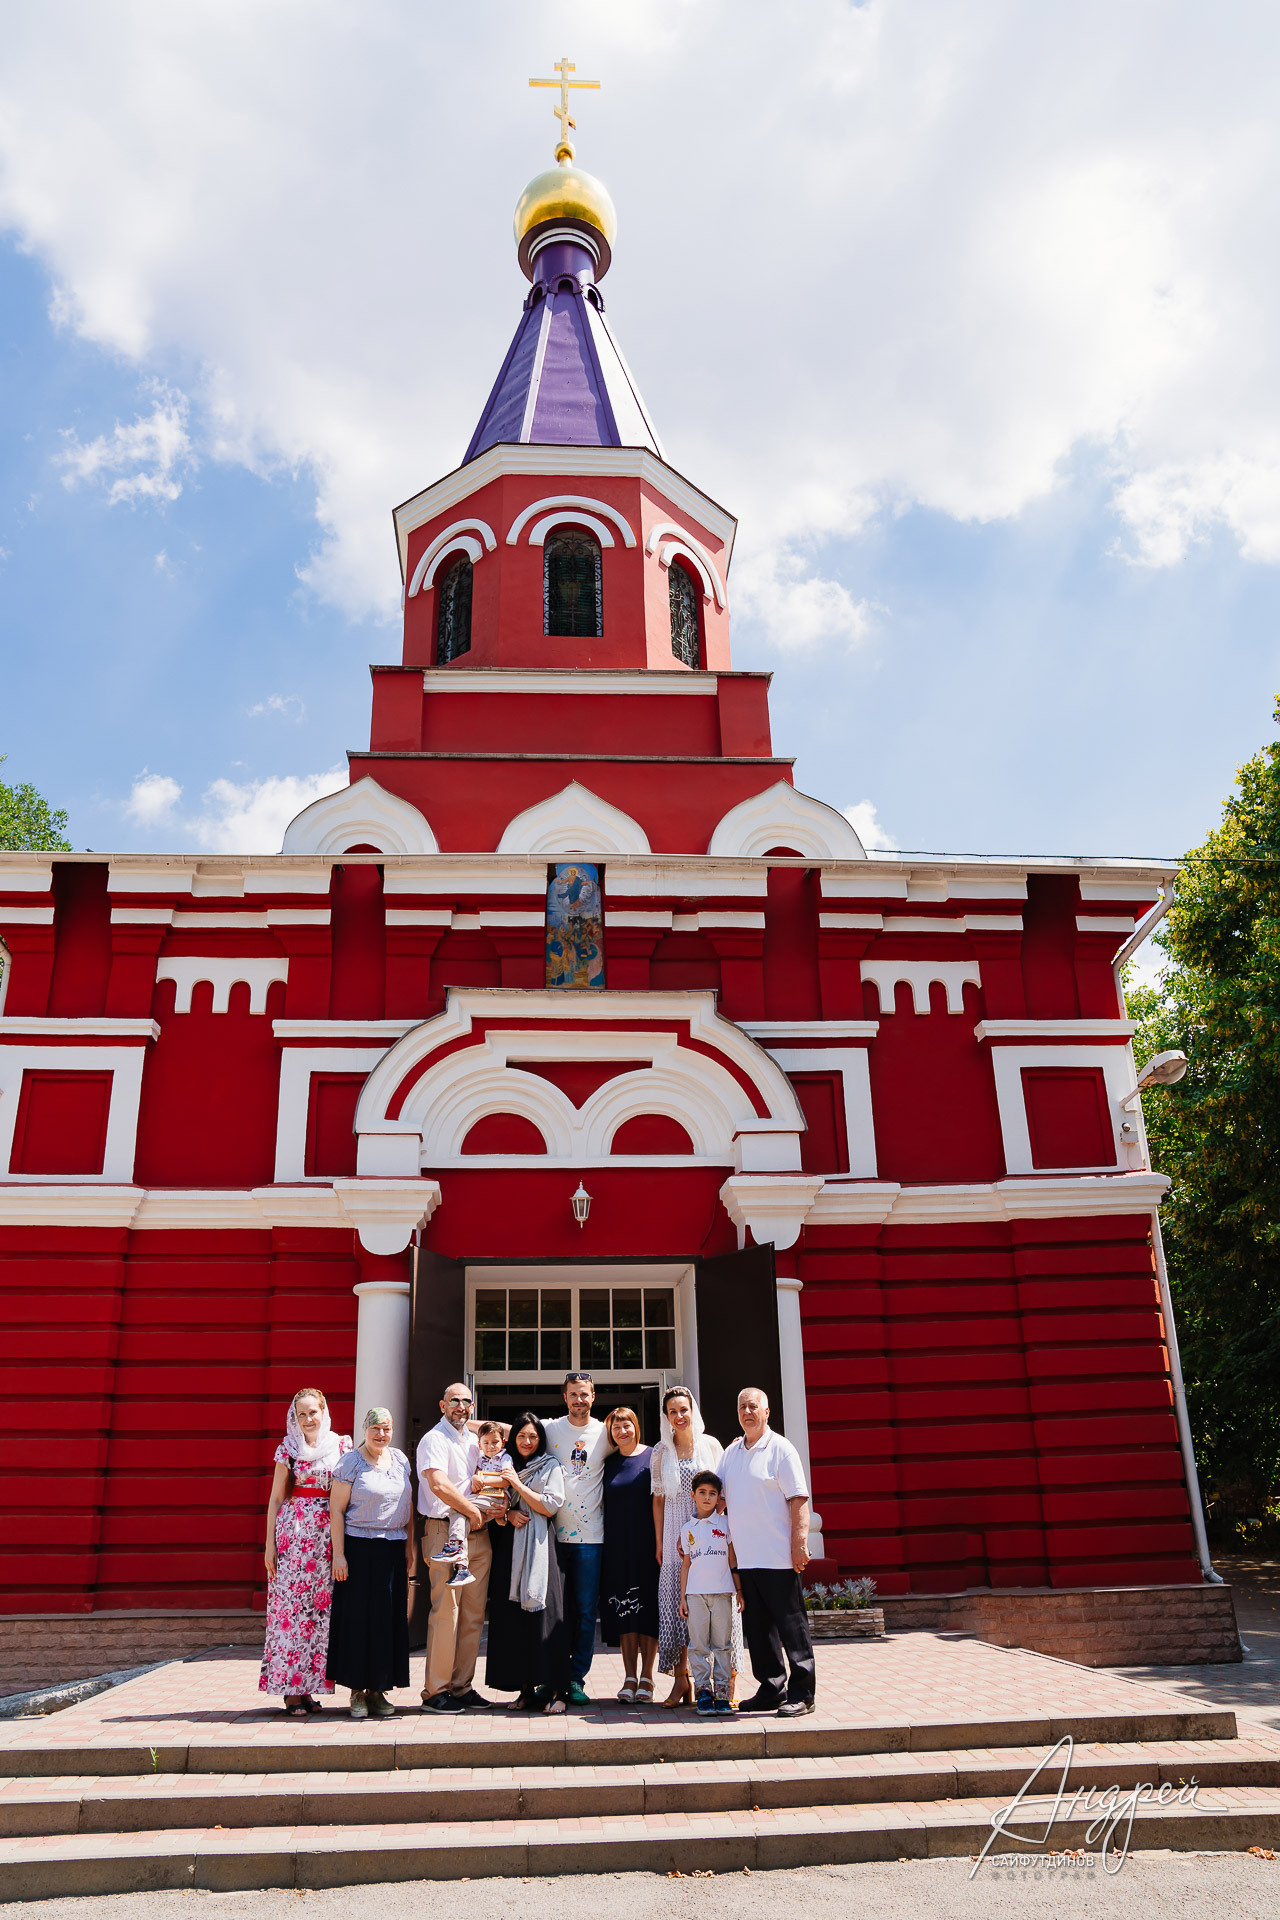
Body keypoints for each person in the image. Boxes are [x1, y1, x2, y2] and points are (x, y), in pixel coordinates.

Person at [720, 1386, 816, 1719]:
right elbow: (719, 1497)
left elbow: (798, 1499)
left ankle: (803, 1692)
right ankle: (771, 1688)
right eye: (742, 1407)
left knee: (792, 1626)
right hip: (747, 1559)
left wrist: (799, 1543)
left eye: (753, 1407)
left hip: (778, 1556)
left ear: (766, 1412)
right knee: (758, 1631)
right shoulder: (731, 1453)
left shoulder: (781, 1449)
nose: (747, 1412)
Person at [260, 1388, 351, 1715]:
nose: (308, 1419)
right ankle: (290, 1691)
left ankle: (310, 1689)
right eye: (302, 1414)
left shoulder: (341, 1445)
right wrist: (269, 1545)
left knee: (319, 1614)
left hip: (328, 1535)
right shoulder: (289, 1448)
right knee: (291, 1613)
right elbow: (274, 1499)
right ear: (295, 1417)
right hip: (294, 1538)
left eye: (313, 1412)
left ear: (323, 1411)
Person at [650, 1385, 741, 1708]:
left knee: (719, 1610)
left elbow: (724, 1492)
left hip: (712, 1540)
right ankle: (682, 1683)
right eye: (672, 1411)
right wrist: (661, 1541)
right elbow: (658, 1501)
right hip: (678, 1536)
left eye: (683, 1410)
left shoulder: (711, 1445)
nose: (679, 1416)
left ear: (693, 1411)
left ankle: (725, 1683)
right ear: (666, 1416)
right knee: (681, 1610)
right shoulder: (661, 1452)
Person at [326, 1407, 415, 1719]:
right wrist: (339, 1554)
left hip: (393, 1547)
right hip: (359, 1548)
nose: (381, 1435)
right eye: (376, 1428)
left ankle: (379, 1689)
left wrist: (410, 1546)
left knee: (387, 1619)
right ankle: (357, 1691)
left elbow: (408, 1504)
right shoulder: (351, 1462)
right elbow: (336, 1510)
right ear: (365, 1429)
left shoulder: (401, 1460)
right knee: (358, 1619)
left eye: (387, 1429)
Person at [484, 1411, 571, 1714]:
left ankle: (559, 1691)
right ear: (513, 1438)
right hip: (511, 1547)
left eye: (533, 1436)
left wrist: (518, 1488)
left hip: (541, 1549)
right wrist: (507, 1515)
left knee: (547, 1620)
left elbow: (549, 1505)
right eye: (522, 1435)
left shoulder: (550, 1466)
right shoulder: (503, 1466)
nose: (527, 1441)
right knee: (514, 1621)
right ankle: (525, 1691)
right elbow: (491, 1502)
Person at [416, 1381, 491, 1713]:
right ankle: (435, 1691)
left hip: (479, 1536)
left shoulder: (474, 1440)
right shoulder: (434, 1439)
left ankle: (461, 1686)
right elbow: (438, 1483)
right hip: (445, 1533)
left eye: (466, 1402)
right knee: (447, 1613)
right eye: (454, 1401)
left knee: (473, 1615)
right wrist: (472, 1509)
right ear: (441, 1405)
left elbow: (502, 1435)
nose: (461, 1406)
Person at [543, 1371, 611, 1705]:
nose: (579, 1400)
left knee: (585, 1611)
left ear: (593, 1396)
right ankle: (550, 1674)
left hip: (590, 1539)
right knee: (555, 1610)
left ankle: (575, 1678)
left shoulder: (604, 1432)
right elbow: (510, 1433)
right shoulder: (551, 1428)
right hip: (552, 1536)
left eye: (584, 1394)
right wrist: (462, 1421)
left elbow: (636, 1447)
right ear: (565, 1397)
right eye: (573, 1394)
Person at [599, 1404, 659, 1704]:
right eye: (616, 1427)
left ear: (637, 1426)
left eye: (627, 1425)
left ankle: (647, 1676)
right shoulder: (607, 1463)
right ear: (611, 1433)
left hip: (649, 1545)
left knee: (647, 1611)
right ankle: (629, 1677)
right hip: (616, 1547)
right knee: (625, 1611)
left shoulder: (653, 1457)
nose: (623, 1431)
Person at [678, 1469, 742, 1716]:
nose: (707, 1498)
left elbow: (733, 1560)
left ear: (719, 1498)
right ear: (693, 1495)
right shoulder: (687, 1529)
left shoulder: (726, 1524)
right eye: (702, 1493)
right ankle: (703, 1693)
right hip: (695, 1596)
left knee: (722, 1645)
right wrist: (682, 1597)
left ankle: (723, 1694)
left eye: (712, 1494)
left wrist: (739, 1590)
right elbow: (686, 1565)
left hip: (723, 1594)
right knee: (698, 1645)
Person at [429, 1420, 511, 1585]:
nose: (491, 1446)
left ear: (502, 1442)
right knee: (460, 1513)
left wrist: (481, 1478)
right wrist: (475, 1477)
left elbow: (505, 1480)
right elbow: (476, 1475)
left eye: (495, 1442)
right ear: (480, 1445)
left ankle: (454, 1545)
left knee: (458, 1509)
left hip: (496, 1497)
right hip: (481, 1498)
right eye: (486, 1443)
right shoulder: (480, 1458)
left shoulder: (505, 1456)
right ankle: (461, 1566)